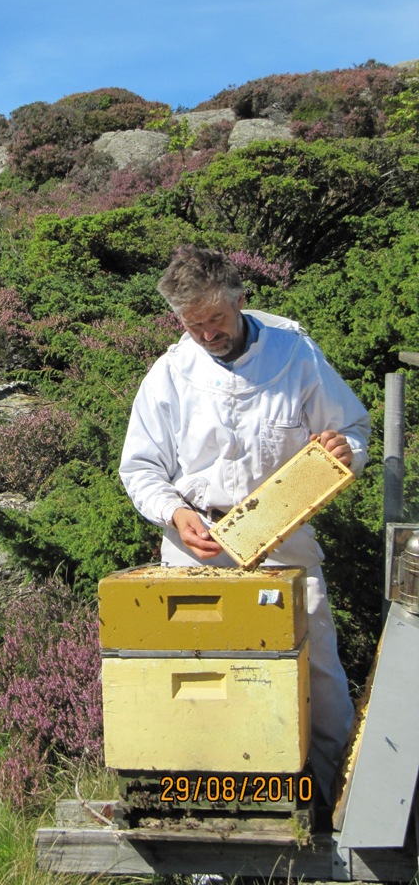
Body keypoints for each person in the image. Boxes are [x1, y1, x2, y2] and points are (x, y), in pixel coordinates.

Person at [119, 245, 371, 805]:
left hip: (285, 538)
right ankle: (208, 819)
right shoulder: (169, 373)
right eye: (193, 325)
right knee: (207, 689)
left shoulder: (295, 354)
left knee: (321, 679)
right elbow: (139, 468)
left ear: (240, 299)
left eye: (215, 320)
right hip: (195, 552)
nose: (206, 335)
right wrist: (175, 513)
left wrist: (339, 449)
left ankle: (333, 807)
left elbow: (352, 430)